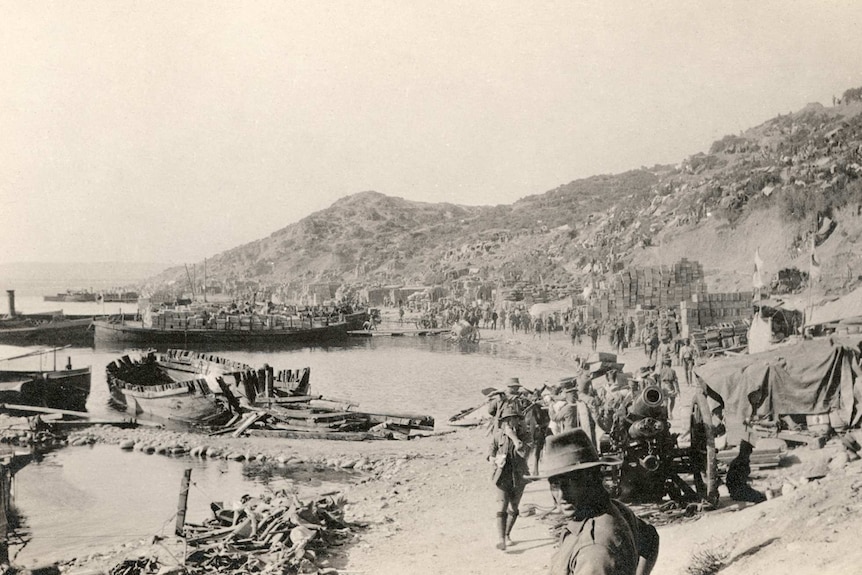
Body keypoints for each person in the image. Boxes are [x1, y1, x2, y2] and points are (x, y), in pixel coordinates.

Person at [532, 429, 659, 575]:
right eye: (555, 484)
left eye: (571, 483)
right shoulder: (615, 509)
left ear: (592, 479)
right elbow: (651, 538)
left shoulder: (594, 549)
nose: (561, 495)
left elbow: (650, 539)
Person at [488, 404, 531, 551]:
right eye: (506, 420)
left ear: (518, 420)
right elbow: (491, 451)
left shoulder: (526, 434)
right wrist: (493, 460)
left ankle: (507, 534)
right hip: (502, 475)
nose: (508, 422)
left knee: (514, 507)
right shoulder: (498, 435)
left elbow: (524, 453)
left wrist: (513, 437)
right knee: (502, 505)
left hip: (519, 475)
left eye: (512, 419)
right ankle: (501, 539)